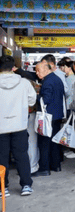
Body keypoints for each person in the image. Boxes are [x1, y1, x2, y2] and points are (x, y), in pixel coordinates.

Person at [0, 55, 37, 196]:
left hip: (1, 126)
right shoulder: (24, 83)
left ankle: (3, 187)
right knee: (22, 155)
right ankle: (26, 185)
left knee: (1, 157)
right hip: (19, 125)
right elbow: (32, 100)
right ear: (13, 67)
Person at [32, 61, 65, 177]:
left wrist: (35, 96)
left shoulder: (47, 81)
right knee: (54, 142)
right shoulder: (57, 79)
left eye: (38, 70)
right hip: (57, 115)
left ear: (46, 70)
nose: (37, 73)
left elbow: (45, 100)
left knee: (44, 143)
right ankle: (55, 165)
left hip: (47, 117)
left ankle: (44, 168)